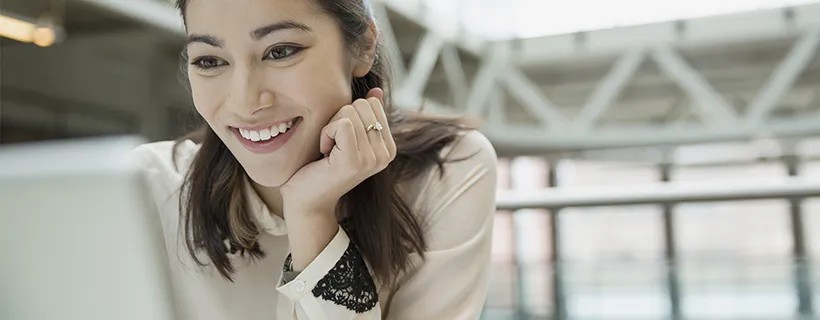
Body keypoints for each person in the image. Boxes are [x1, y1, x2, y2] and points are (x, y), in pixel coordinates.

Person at [129, 0, 498, 319]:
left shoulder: (447, 169)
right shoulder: (144, 187)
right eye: (210, 61)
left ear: (363, 47)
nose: (244, 102)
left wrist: (311, 216)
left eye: (280, 51)